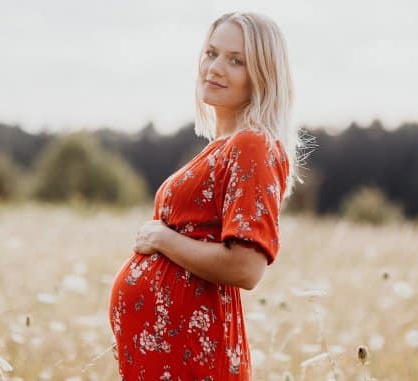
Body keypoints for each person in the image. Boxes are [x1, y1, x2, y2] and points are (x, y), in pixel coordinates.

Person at [108, 11, 303, 380]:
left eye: (236, 61)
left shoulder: (252, 145)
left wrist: (164, 239)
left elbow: (246, 268)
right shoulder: (224, 146)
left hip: (193, 360)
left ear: (262, 76)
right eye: (211, 53)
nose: (215, 68)